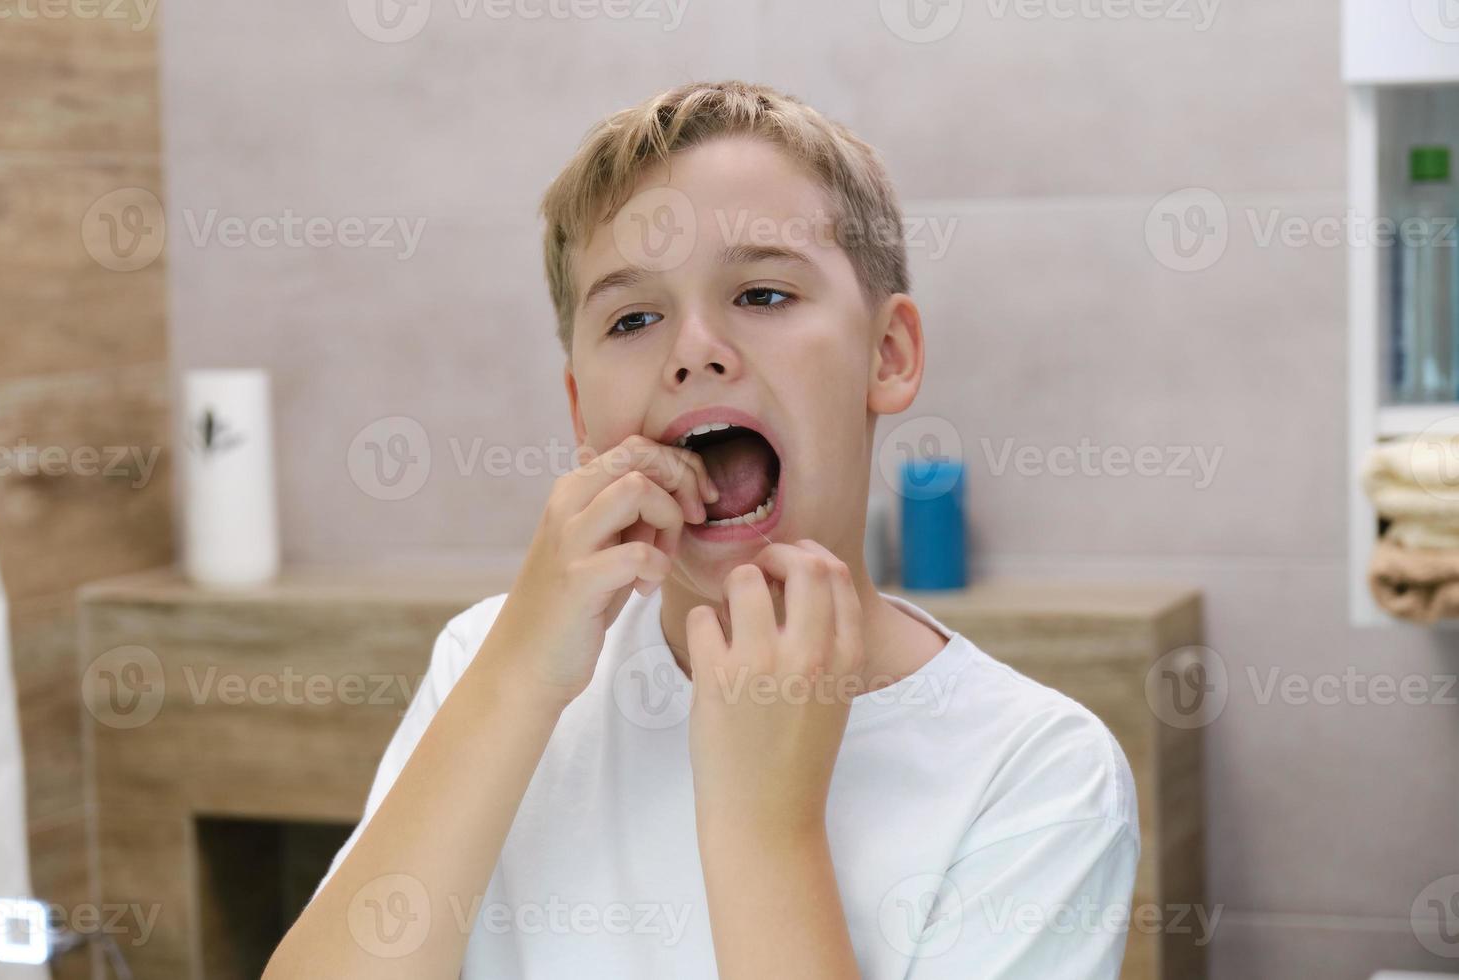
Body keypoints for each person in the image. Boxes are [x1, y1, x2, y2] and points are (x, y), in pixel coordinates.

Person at [264, 79, 1139, 979]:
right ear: (580, 407)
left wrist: (767, 828)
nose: (693, 349)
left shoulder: (1037, 777)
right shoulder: (486, 663)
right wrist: (515, 680)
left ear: (888, 353)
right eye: (633, 318)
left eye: (761, 294)